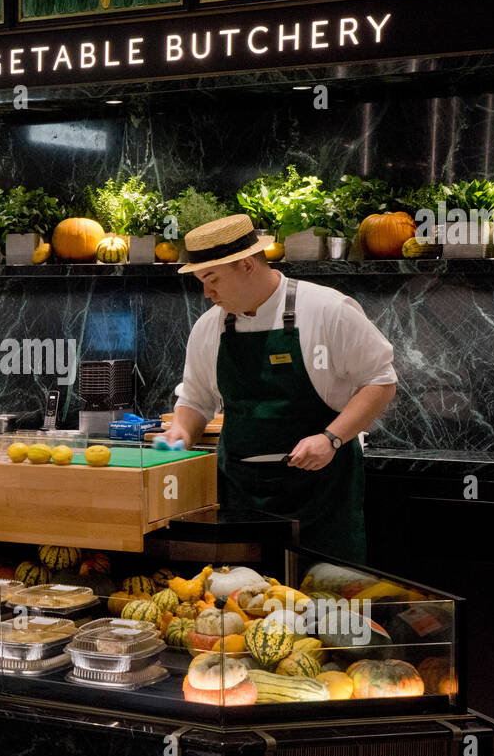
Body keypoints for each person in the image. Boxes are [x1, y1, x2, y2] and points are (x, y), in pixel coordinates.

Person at [164, 214, 397, 563]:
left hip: (321, 493)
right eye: (200, 281)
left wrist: (331, 438)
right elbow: (196, 400)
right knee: (245, 603)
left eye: (212, 280)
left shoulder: (328, 309)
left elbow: (380, 380)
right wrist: (179, 433)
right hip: (241, 497)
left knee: (326, 603)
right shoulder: (208, 328)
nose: (207, 293)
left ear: (246, 265)